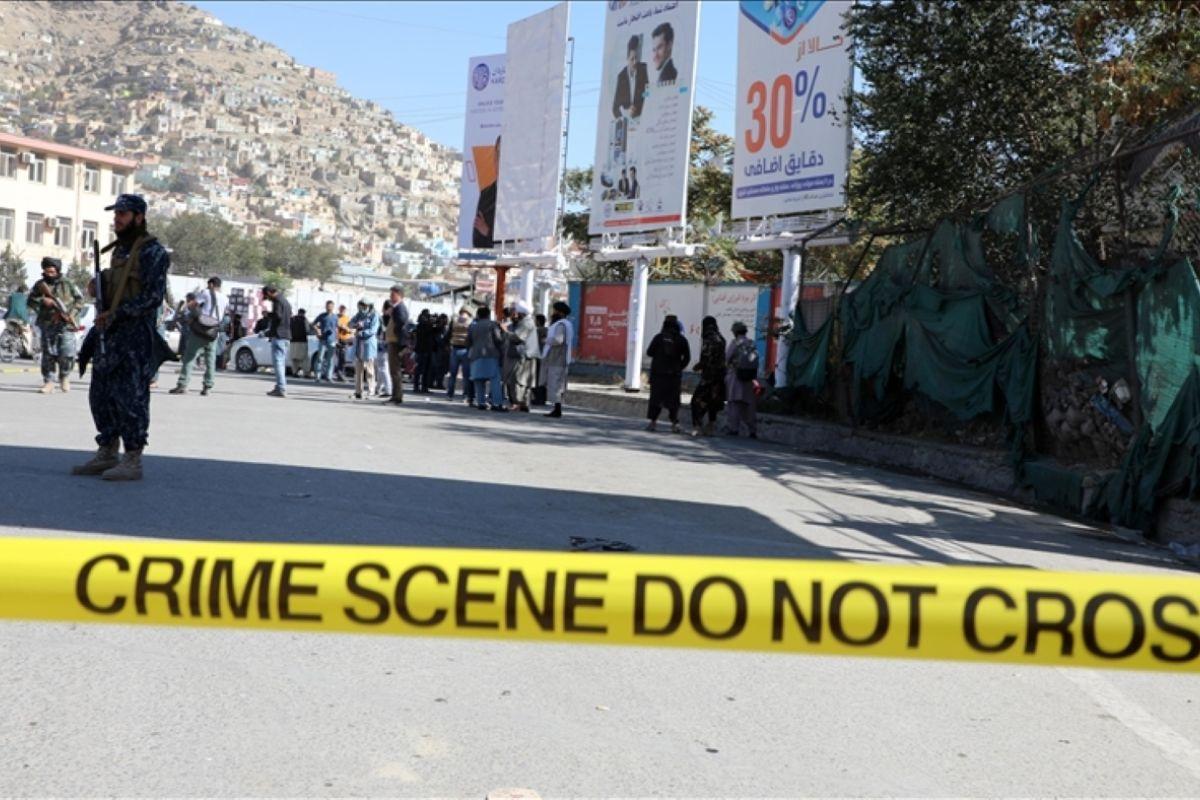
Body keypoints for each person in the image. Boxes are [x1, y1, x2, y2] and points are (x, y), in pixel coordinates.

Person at [71, 193, 173, 481]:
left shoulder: (153, 252)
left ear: (139, 217)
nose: (117, 219)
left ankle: (132, 458)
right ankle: (107, 451)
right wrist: (99, 286)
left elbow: (152, 298)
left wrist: (118, 314)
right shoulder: (119, 251)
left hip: (134, 336)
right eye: (116, 214)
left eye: (123, 214)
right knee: (101, 395)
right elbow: (117, 287)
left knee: (131, 398)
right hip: (110, 334)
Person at [28, 257, 84, 394]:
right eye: (47, 272)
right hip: (47, 323)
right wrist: (43, 301)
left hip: (66, 323)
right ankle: (49, 381)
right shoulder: (40, 284)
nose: (50, 274)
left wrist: (70, 314)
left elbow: (80, 300)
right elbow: (31, 300)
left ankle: (64, 376)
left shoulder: (68, 283)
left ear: (57, 271)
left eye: (52, 272)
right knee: (48, 353)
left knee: (67, 353)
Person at [171, 276, 226, 396]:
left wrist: (192, 310)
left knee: (189, 357)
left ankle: (182, 385)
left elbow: (192, 305)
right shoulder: (225, 298)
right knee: (210, 360)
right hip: (213, 332)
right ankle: (208, 387)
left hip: (200, 330)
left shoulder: (206, 292)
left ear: (211, 284)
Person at [645, 315, 691, 432]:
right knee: (673, 401)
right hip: (674, 376)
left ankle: (653, 423)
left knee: (656, 399)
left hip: (658, 375)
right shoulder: (682, 340)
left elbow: (649, 352)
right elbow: (687, 358)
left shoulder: (658, 338)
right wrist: (679, 367)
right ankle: (675, 424)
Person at [690, 315, 727, 437]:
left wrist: (697, 366)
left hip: (708, 377)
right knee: (713, 401)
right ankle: (710, 426)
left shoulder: (709, 338)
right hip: (720, 377)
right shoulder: (721, 338)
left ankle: (697, 427)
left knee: (696, 401)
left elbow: (706, 359)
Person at [724, 321, 759, 438]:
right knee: (749, 405)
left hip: (735, 377)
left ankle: (734, 428)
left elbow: (727, 358)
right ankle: (752, 430)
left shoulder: (735, 343)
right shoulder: (751, 343)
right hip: (749, 378)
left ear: (735, 332)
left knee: (734, 403)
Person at [467, 305, 505, 411]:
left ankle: (481, 403)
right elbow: (498, 339)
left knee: (478, 380)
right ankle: (496, 403)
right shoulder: (492, 325)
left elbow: (468, 342)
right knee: (495, 380)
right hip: (491, 355)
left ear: (478, 315)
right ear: (488, 315)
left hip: (476, 356)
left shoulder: (472, 326)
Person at [541, 301, 574, 418]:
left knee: (555, 383)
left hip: (557, 357)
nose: (553, 312)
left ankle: (557, 410)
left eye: (555, 310)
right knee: (557, 383)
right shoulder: (566, 324)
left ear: (560, 312)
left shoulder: (561, 325)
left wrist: (546, 340)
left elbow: (558, 340)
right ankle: (556, 408)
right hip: (560, 357)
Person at [507, 300, 540, 412]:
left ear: (521, 312)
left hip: (524, 355)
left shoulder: (525, 323)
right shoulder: (529, 321)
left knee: (518, 380)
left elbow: (517, 338)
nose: (515, 314)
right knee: (526, 381)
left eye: (516, 311)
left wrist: (505, 330)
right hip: (528, 354)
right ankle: (525, 403)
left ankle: (517, 403)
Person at [261, 284, 292, 398]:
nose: (267, 299)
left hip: (279, 335)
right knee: (281, 363)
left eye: (267, 296)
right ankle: (279, 387)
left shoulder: (277, 301)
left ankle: (281, 388)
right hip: (286, 335)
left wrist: (268, 314)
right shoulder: (285, 301)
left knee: (278, 363)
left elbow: (278, 316)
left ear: (270, 293)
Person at [384, 285, 410, 405]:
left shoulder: (400, 307)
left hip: (396, 342)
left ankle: (397, 397)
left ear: (399, 295)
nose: (390, 296)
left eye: (393, 294)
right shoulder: (395, 308)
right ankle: (395, 396)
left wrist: (395, 332)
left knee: (395, 371)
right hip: (392, 341)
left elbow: (402, 321)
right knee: (393, 370)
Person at [612, 35, 649, 120]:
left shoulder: (643, 70)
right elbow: (615, 108)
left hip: (642, 119)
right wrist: (626, 114)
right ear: (627, 58)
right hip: (627, 122)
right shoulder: (621, 77)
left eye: (636, 58)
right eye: (632, 59)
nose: (635, 62)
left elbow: (649, 94)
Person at [473, 136, 500, 249]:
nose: (500, 160)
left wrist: (488, 232)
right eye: (498, 154)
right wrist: (488, 234)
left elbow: (520, 239)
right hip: (489, 257)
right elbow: (477, 239)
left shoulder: (523, 197)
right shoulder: (486, 194)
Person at [349, 297, 379, 400]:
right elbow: (350, 323)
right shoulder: (359, 315)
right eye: (360, 305)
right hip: (359, 345)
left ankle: (371, 391)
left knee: (369, 370)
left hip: (368, 345)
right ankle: (358, 392)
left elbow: (373, 330)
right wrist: (356, 325)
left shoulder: (374, 315)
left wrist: (362, 332)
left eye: (364, 306)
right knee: (358, 370)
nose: (362, 308)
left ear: (369, 306)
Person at [446, 305, 473, 403]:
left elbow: (448, 334)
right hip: (466, 350)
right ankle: (465, 396)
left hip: (454, 349)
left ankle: (450, 395)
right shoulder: (471, 322)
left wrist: (447, 344)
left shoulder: (454, 321)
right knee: (466, 375)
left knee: (452, 374)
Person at [312, 300, 338, 382]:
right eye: (327, 306)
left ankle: (329, 376)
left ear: (333, 307)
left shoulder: (335, 317)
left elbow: (336, 328)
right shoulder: (322, 315)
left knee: (330, 359)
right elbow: (313, 324)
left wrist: (337, 339)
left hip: (332, 340)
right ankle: (317, 377)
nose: (329, 308)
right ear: (325, 307)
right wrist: (317, 331)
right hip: (322, 339)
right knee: (320, 358)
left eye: (330, 306)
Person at [4, 283, 31, 357]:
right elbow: (27, 308)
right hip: (21, 318)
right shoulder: (26, 297)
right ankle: (28, 350)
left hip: (9, 317)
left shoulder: (11, 296)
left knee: (11, 330)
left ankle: (11, 342)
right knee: (27, 332)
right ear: (25, 291)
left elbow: (7, 305)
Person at [412, 308, 435, 393]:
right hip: (423, 350)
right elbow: (427, 331)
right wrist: (431, 323)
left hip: (424, 350)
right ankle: (420, 387)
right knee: (421, 370)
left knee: (423, 370)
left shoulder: (421, 325)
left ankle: (421, 387)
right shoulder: (423, 325)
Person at [375, 300, 393, 397]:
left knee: (383, 368)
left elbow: (379, 333)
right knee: (382, 368)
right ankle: (378, 388)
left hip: (383, 346)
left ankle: (388, 389)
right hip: (389, 346)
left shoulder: (383, 319)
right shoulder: (393, 319)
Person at [287, 307, 311, 379]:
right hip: (302, 341)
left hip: (293, 341)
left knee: (294, 358)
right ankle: (306, 373)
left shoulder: (292, 319)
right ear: (304, 313)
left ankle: (295, 372)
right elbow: (307, 330)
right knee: (304, 358)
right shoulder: (304, 319)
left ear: (298, 312)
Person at [532, 312, 548, 406]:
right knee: (542, 379)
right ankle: (543, 398)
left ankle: (538, 398)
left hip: (537, 357)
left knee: (536, 378)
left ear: (538, 321)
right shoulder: (547, 330)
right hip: (545, 357)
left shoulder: (537, 331)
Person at [432, 312, 450, 390]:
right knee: (438, 367)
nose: (447, 321)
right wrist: (444, 345)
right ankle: (437, 382)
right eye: (445, 319)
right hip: (439, 350)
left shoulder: (444, 328)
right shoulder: (439, 328)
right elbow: (439, 339)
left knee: (442, 368)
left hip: (443, 350)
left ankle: (439, 382)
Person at [335, 304, 352, 381]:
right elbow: (333, 327)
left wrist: (347, 329)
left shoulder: (347, 318)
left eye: (343, 310)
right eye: (341, 309)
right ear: (339, 310)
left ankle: (340, 373)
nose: (342, 311)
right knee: (339, 358)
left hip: (345, 340)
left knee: (343, 358)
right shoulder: (336, 317)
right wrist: (339, 326)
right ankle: (339, 374)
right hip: (337, 340)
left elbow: (350, 329)